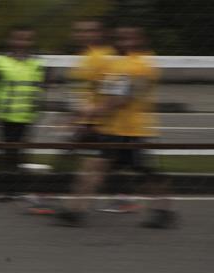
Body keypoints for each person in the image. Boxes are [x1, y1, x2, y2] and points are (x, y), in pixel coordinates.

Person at [57, 25, 176, 228]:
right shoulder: (118, 63)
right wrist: (87, 116)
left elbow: (123, 98)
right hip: (111, 129)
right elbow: (107, 93)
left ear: (141, 39)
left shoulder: (143, 64)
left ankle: (164, 211)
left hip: (133, 131)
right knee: (92, 169)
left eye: (130, 38)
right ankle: (75, 211)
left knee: (147, 173)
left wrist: (89, 114)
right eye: (120, 38)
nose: (124, 42)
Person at [28, 18, 113, 216]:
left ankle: (54, 200)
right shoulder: (84, 57)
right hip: (84, 120)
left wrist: (88, 117)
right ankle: (54, 199)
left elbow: (108, 92)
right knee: (76, 160)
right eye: (79, 31)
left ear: (100, 33)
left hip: (96, 123)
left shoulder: (104, 57)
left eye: (89, 31)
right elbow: (83, 93)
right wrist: (72, 117)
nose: (83, 35)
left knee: (84, 164)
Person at [0, 25, 45, 202]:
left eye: (26, 39)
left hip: (26, 116)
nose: (22, 43)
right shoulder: (0, 62)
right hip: (5, 116)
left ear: (32, 41)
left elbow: (38, 89)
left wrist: (36, 109)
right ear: (10, 41)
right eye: (18, 39)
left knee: (19, 153)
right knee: (4, 153)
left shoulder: (37, 64)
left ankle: (16, 189)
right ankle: (0, 189)